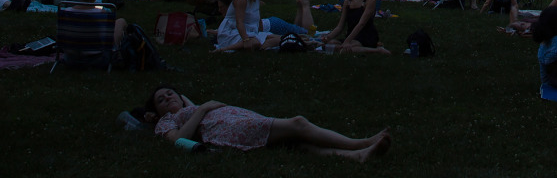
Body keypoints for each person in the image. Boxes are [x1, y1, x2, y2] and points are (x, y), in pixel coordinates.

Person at [146, 87, 390, 159]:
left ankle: (358, 156)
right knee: (298, 124)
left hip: (241, 119)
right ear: (157, 112)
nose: (168, 98)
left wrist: (192, 105)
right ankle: (359, 142)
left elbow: (186, 103)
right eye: (161, 99)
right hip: (230, 130)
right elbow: (178, 140)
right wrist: (204, 108)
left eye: (170, 93)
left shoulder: (189, 107)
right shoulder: (167, 121)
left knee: (297, 144)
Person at [215, 0, 313, 51]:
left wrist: (262, 34)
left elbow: (257, 21)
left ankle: (302, 42)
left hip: (249, 33)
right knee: (259, 41)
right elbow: (239, 22)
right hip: (231, 33)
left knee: (280, 38)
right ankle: (224, 49)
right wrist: (246, 40)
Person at [325, 0, 390, 54]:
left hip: (365, 35)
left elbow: (361, 24)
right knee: (329, 44)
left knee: (344, 51)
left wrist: (347, 41)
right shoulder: (347, 1)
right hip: (351, 35)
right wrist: (327, 37)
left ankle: (377, 50)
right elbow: (340, 26)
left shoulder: (370, 0)